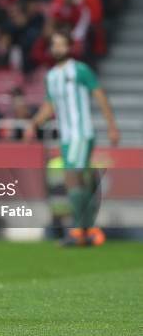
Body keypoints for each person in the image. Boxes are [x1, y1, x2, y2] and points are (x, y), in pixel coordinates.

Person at [25, 30, 120, 247]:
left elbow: (99, 94)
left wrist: (112, 126)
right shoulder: (51, 76)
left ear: (70, 47)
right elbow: (50, 106)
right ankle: (87, 231)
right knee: (79, 182)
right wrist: (34, 124)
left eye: (62, 44)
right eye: (55, 45)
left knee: (71, 178)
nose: (58, 49)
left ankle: (78, 230)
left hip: (81, 133)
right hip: (66, 137)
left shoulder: (80, 70)